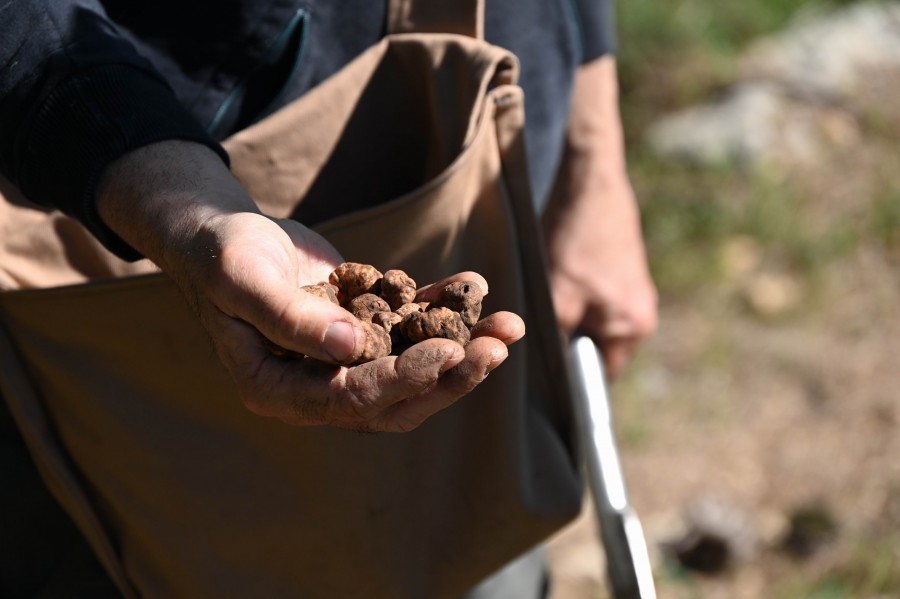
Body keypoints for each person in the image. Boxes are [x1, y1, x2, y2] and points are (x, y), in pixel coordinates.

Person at [0, 0, 657, 596]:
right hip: (134, 253)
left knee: (477, 533)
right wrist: (183, 208)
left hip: (480, 179)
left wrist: (593, 158)